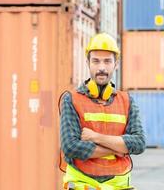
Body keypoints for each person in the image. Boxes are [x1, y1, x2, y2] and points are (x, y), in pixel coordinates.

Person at [59, 33, 145, 190]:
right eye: (96, 61)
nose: (101, 68)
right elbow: (70, 147)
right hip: (83, 183)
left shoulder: (127, 101)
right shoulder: (71, 99)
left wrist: (96, 137)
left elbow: (139, 143)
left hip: (118, 184)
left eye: (107, 61)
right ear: (88, 63)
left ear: (116, 64)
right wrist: (119, 148)